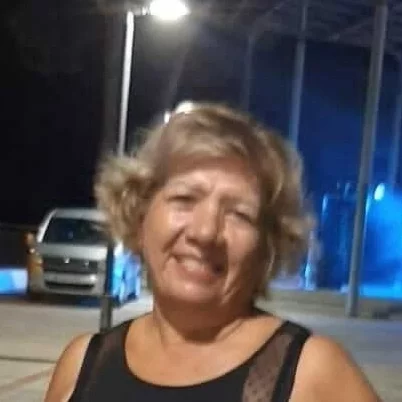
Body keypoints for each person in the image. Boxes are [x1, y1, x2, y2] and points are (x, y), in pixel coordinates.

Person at [45, 103, 380, 402]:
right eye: (185, 199)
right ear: (140, 214)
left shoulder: (311, 374)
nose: (205, 232)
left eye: (239, 214)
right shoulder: (82, 365)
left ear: (267, 246)